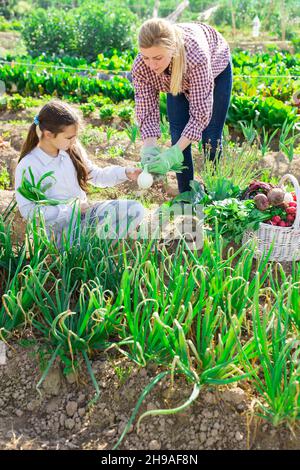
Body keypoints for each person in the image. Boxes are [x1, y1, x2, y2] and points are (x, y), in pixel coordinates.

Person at [15, 100, 144, 247]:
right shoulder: (29, 165)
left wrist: (126, 173)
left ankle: (93, 253)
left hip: (83, 217)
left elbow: (95, 174)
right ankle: (76, 255)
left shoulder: (71, 149)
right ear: (48, 134)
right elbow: (29, 212)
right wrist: (72, 209)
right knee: (83, 238)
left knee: (135, 210)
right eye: (69, 138)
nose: (74, 141)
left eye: (75, 136)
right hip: (58, 230)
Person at [132, 18, 233, 193]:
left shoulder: (196, 57)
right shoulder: (142, 66)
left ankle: (214, 196)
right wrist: (149, 147)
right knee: (177, 133)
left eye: (157, 57)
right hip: (176, 78)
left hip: (215, 68)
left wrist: (172, 155)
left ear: (171, 49)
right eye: (146, 57)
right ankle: (186, 197)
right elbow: (146, 108)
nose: (152, 64)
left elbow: (200, 115)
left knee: (211, 137)